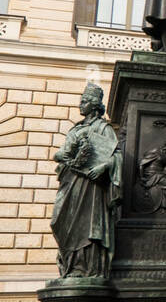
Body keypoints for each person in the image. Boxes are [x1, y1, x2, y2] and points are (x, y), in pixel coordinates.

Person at [50, 83, 123, 278]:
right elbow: (63, 152)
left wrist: (103, 167)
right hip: (71, 180)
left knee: (88, 225)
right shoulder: (76, 129)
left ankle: (87, 269)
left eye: (84, 101)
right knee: (60, 220)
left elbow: (117, 156)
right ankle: (70, 266)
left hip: (91, 186)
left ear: (94, 105)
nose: (80, 105)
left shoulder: (103, 128)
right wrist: (62, 156)